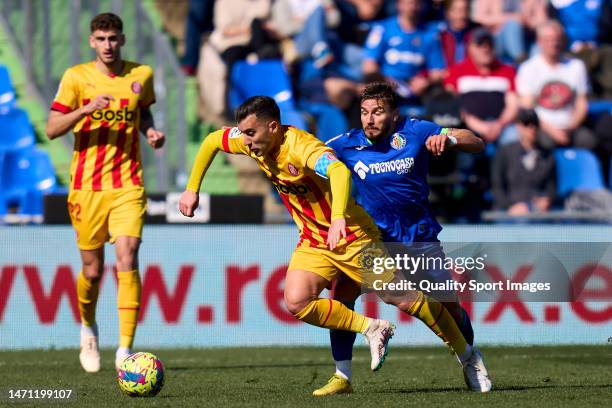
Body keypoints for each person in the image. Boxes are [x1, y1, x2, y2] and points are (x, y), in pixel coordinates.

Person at [179, 96, 479, 392]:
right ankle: (368, 334)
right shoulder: (250, 140)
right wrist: (192, 189)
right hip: (314, 240)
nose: (244, 141)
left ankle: (468, 357)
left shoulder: (301, 147)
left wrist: (337, 218)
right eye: (242, 133)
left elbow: (337, 170)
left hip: (350, 235)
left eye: (250, 133)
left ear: (273, 127)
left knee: (404, 299)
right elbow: (211, 141)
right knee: (297, 302)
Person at [314, 82, 491, 395]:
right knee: (341, 296)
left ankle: (470, 359)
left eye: (378, 112)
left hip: (417, 238)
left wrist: (447, 138)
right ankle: (342, 376)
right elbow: (309, 155)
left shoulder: (417, 130)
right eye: (364, 112)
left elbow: (474, 141)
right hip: (372, 241)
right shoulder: (345, 144)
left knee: (450, 309)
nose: (369, 119)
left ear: (394, 115)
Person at [45, 13, 165, 373]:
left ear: (122, 40)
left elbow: (143, 114)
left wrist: (151, 133)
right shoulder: (76, 78)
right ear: (91, 42)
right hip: (86, 188)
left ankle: (125, 349)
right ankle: (88, 328)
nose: (108, 45)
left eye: (113, 38)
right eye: (101, 38)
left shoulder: (140, 75)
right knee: (93, 270)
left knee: (128, 255)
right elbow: (52, 129)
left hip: (128, 183)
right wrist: (84, 109)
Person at [516, 21, 597, 150]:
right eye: (548, 40)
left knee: (589, 141)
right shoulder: (528, 68)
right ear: (539, 41)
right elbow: (528, 108)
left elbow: (582, 103)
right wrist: (552, 131)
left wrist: (571, 127)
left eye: (556, 39)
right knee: (545, 143)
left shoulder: (576, 66)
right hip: (542, 126)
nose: (553, 43)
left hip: (570, 125)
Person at [444, 27, 519, 146]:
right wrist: (476, 124)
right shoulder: (457, 71)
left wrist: (499, 125)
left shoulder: (507, 71)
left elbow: (513, 105)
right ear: (470, 48)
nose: (486, 49)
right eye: (480, 45)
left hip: (501, 127)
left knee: (513, 136)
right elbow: (452, 103)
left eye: (489, 45)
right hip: (468, 126)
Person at [362, 0, 446, 101]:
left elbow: (437, 70)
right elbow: (369, 65)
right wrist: (386, 82)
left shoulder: (430, 34)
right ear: (399, 4)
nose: (413, 7)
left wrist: (426, 81)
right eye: (409, 3)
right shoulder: (382, 29)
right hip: (387, 85)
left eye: (417, 3)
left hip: (417, 88)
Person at [492, 108, 556, 215]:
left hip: (537, 210)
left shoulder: (547, 155)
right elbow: (497, 186)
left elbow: (552, 186)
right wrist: (510, 207)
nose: (532, 128)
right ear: (518, 126)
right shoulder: (505, 152)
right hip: (510, 210)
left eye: (535, 124)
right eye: (527, 124)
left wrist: (546, 200)